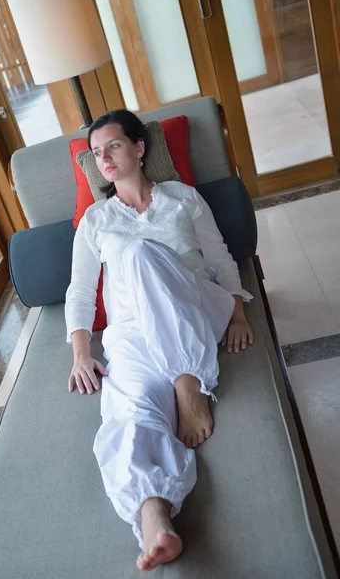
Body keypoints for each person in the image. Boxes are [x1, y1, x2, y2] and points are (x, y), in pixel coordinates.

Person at [65, 110, 253, 572]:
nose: (103, 158)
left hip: (194, 311)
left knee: (140, 252)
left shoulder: (182, 199)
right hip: (132, 335)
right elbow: (81, 290)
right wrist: (81, 353)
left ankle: (189, 383)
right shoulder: (95, 220)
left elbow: (221, 257)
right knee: (128, 414)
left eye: (113, 146)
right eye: (95, 152)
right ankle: (154, 517)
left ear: (140, 148)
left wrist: (238, 313)